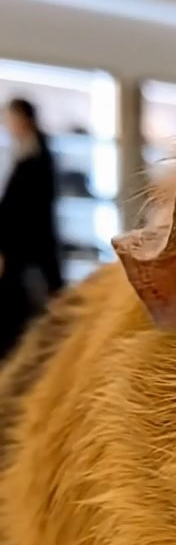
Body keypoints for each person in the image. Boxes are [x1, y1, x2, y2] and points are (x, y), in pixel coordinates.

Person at [0, 98, 63, 362]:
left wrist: (6, 250)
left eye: (9, 118)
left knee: (21, 316)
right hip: (24, 252)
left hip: (26, 253)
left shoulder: (37, 157)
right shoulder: (25, 152)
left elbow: (28, 214)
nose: (6, 124)